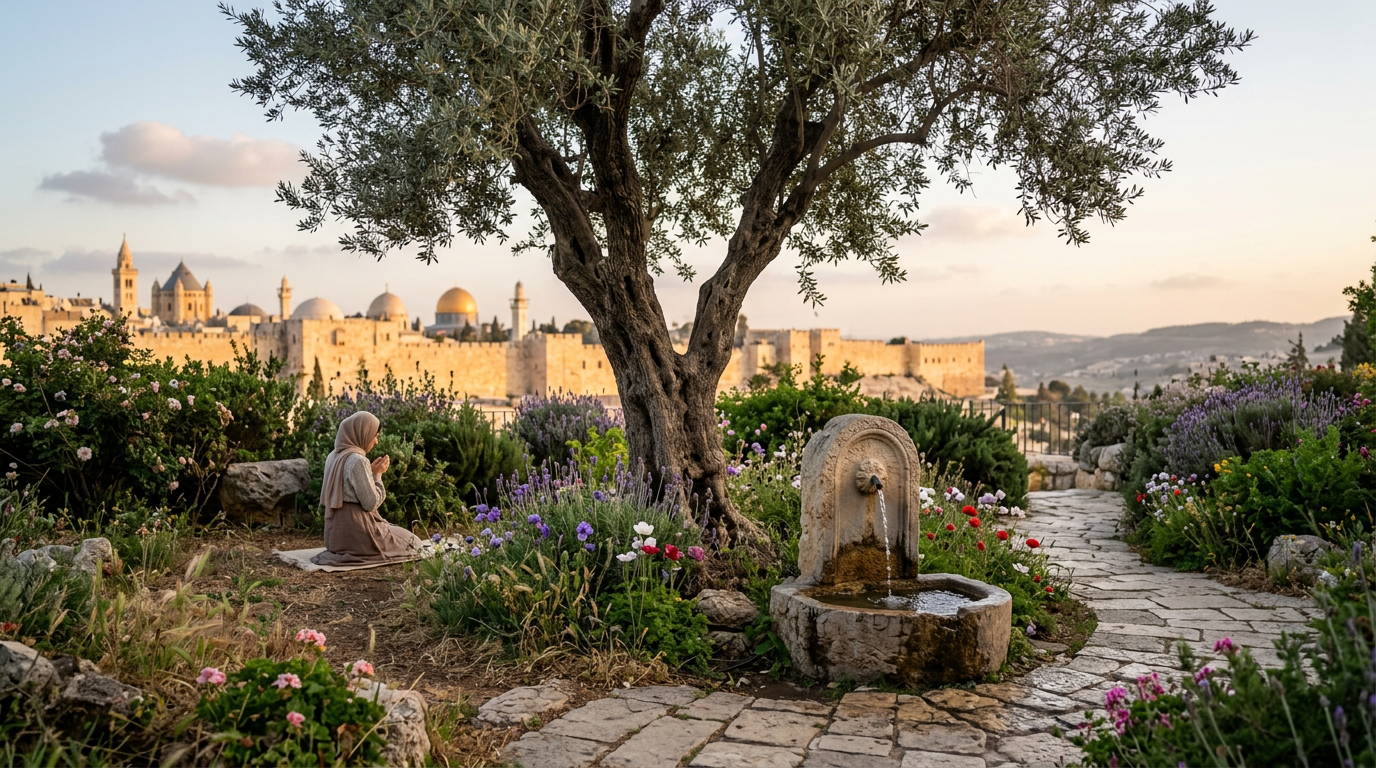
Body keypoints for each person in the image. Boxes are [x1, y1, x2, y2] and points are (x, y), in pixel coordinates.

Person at [310, 411, 422, 566]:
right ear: (363, 433)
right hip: (359, 534)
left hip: (334, 538)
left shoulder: (333, 456)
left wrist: (369, 474)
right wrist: (377, 475)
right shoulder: (357, 460)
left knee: (399, 534)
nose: (376, 441)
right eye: (375, 436)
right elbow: (370, 503)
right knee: (414, 542)